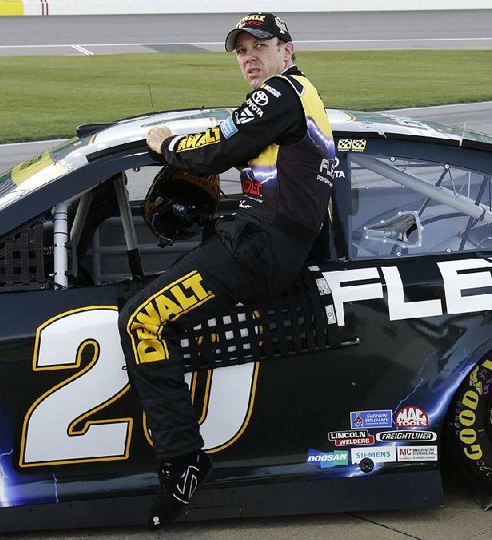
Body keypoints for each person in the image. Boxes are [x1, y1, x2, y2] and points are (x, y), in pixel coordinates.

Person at [118, 12, 337, 529]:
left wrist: (165, 145)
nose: (249, 57)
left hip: (260, 246)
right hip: (267, 243)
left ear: (288, 49)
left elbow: (218, 150)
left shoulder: (281, 93)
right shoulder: (298, 98)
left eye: (259, 46)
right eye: (241, 51)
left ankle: (183, 460)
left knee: (141, 321)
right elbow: (238, 140)